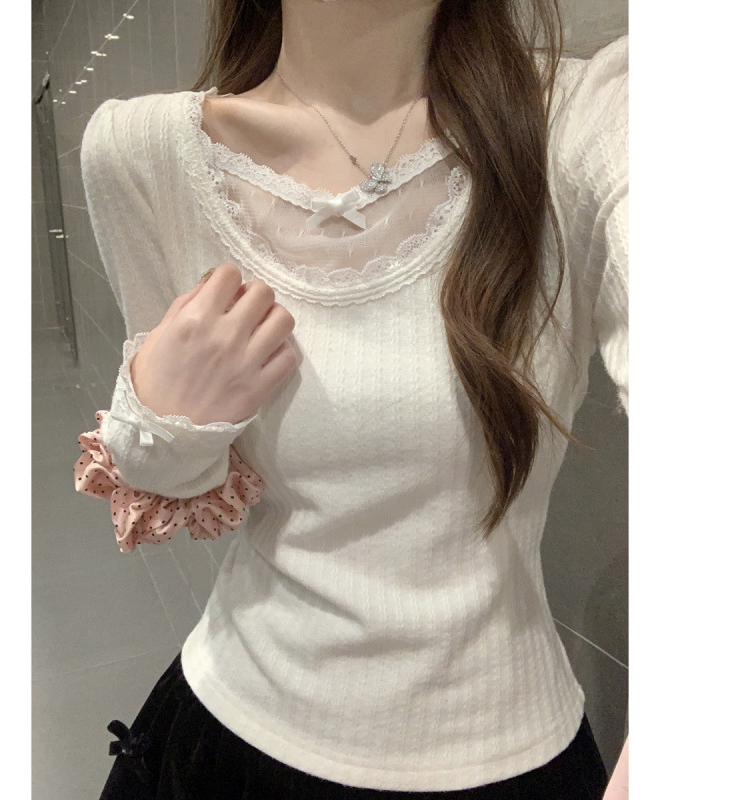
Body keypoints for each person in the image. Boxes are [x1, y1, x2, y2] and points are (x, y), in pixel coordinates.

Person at [78, 1, 628, 797]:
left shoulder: (584, 120)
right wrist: (161, 422)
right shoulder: (142, 151)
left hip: (504, 747)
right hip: (227, 733)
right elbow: (177, 486)